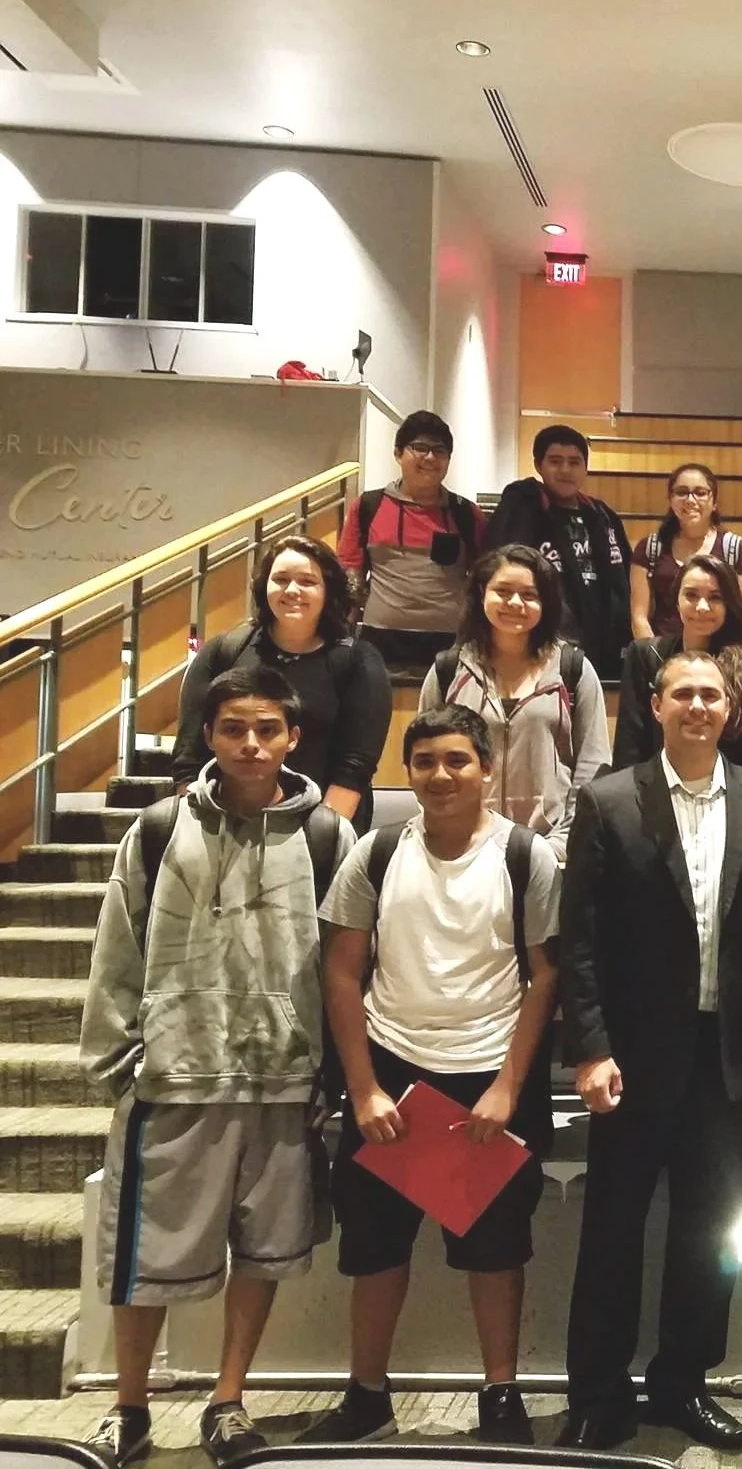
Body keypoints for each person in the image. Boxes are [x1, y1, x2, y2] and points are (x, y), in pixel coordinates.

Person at [78, 667, 351, 1469]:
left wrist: (328, 1070)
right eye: (234, 728)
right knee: (145, 1256)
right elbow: (116, 946)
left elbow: (346, 961)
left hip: (282, 1082)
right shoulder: (161, 830)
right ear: (209, 735)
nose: (251, 744)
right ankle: (128, 1409)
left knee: (263, 1254)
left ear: (293, 738)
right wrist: (125, 1059)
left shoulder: (327, 837)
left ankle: (228, 1402)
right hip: (175, 1078)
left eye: (268, 729)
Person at [555, 649, 742, 1451]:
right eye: (682, 694)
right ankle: (596, 1394)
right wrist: (590, 1049)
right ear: (655, 707)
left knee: (709, 1229)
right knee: (614, 1228)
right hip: (630, 1055)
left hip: (722, 1056)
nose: (698, 706)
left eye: (711, 695)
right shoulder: (609, 800)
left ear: (730, 710)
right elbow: (581, 942)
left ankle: (682, 1384)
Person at [302, 706, 560, 1446]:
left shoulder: (525, 856)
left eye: (457, 760)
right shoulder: (374, 853)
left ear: (486, 768)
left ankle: (501, 1395)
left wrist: (508, 1086)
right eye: (425, 762)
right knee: (376, 1247)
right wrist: (363, 1088)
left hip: (488, 1077)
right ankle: (367, 1394)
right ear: (406, 772)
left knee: (497, 1250)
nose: (441, 775)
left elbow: (545, 978)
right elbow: (342, 974)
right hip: (389, 1076)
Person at [173, 535, 391, 833]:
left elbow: (355, 766)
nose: (292, 590)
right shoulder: (224, 650)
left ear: (329, 590)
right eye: (281, 579)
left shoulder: (358, 660)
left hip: (320, 826)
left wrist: (320, 838)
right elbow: (189, 754)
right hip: (223, 828)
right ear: (265, 587)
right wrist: (201, 830)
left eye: (307, 581)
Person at [416, 545, 610, 861]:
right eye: (503, 591)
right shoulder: (448, 670)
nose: (516, 603)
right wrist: (450, 835)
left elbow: (593, 765)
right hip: (464, 851)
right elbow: (422, 760)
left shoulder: (573, 670)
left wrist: (562, 843)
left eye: (529, 595)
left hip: (550, 850)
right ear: (482, 594)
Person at [337, 409, 487, 675]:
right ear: (398, 453)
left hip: (450, 642)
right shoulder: (369, 506)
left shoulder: (466, 513)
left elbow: (483, 577)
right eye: (420, 448)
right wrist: (342, 634)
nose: (430, 457)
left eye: (439, 451)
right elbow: (351, 571)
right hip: (380, 638)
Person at [614, 553, 742, 779]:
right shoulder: (645, 656)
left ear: (729, 603)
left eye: (715, 597)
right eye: (691, 595)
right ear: (677, 601)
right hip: (656, 795)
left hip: (735, 798)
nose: (702, 607)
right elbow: (629, 750)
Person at [486, 424, 632, 681]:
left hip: (603, 648)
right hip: (542, 648)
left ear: (585, 467)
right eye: (555, 461)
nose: (566, 470)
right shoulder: (521, 510)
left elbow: (625, 579)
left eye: (574, 462)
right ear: (538, 465)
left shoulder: (603, 516)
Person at [631, 462, 742, 640]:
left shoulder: (736, 550)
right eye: (681, 492)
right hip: (663, 654)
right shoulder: (649, 549)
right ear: (670, 499)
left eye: (700, 493)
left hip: (718, 655)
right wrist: (656, 660)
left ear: (714, 502)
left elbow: (738, 618)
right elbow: (639, 617)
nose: (690, 500)